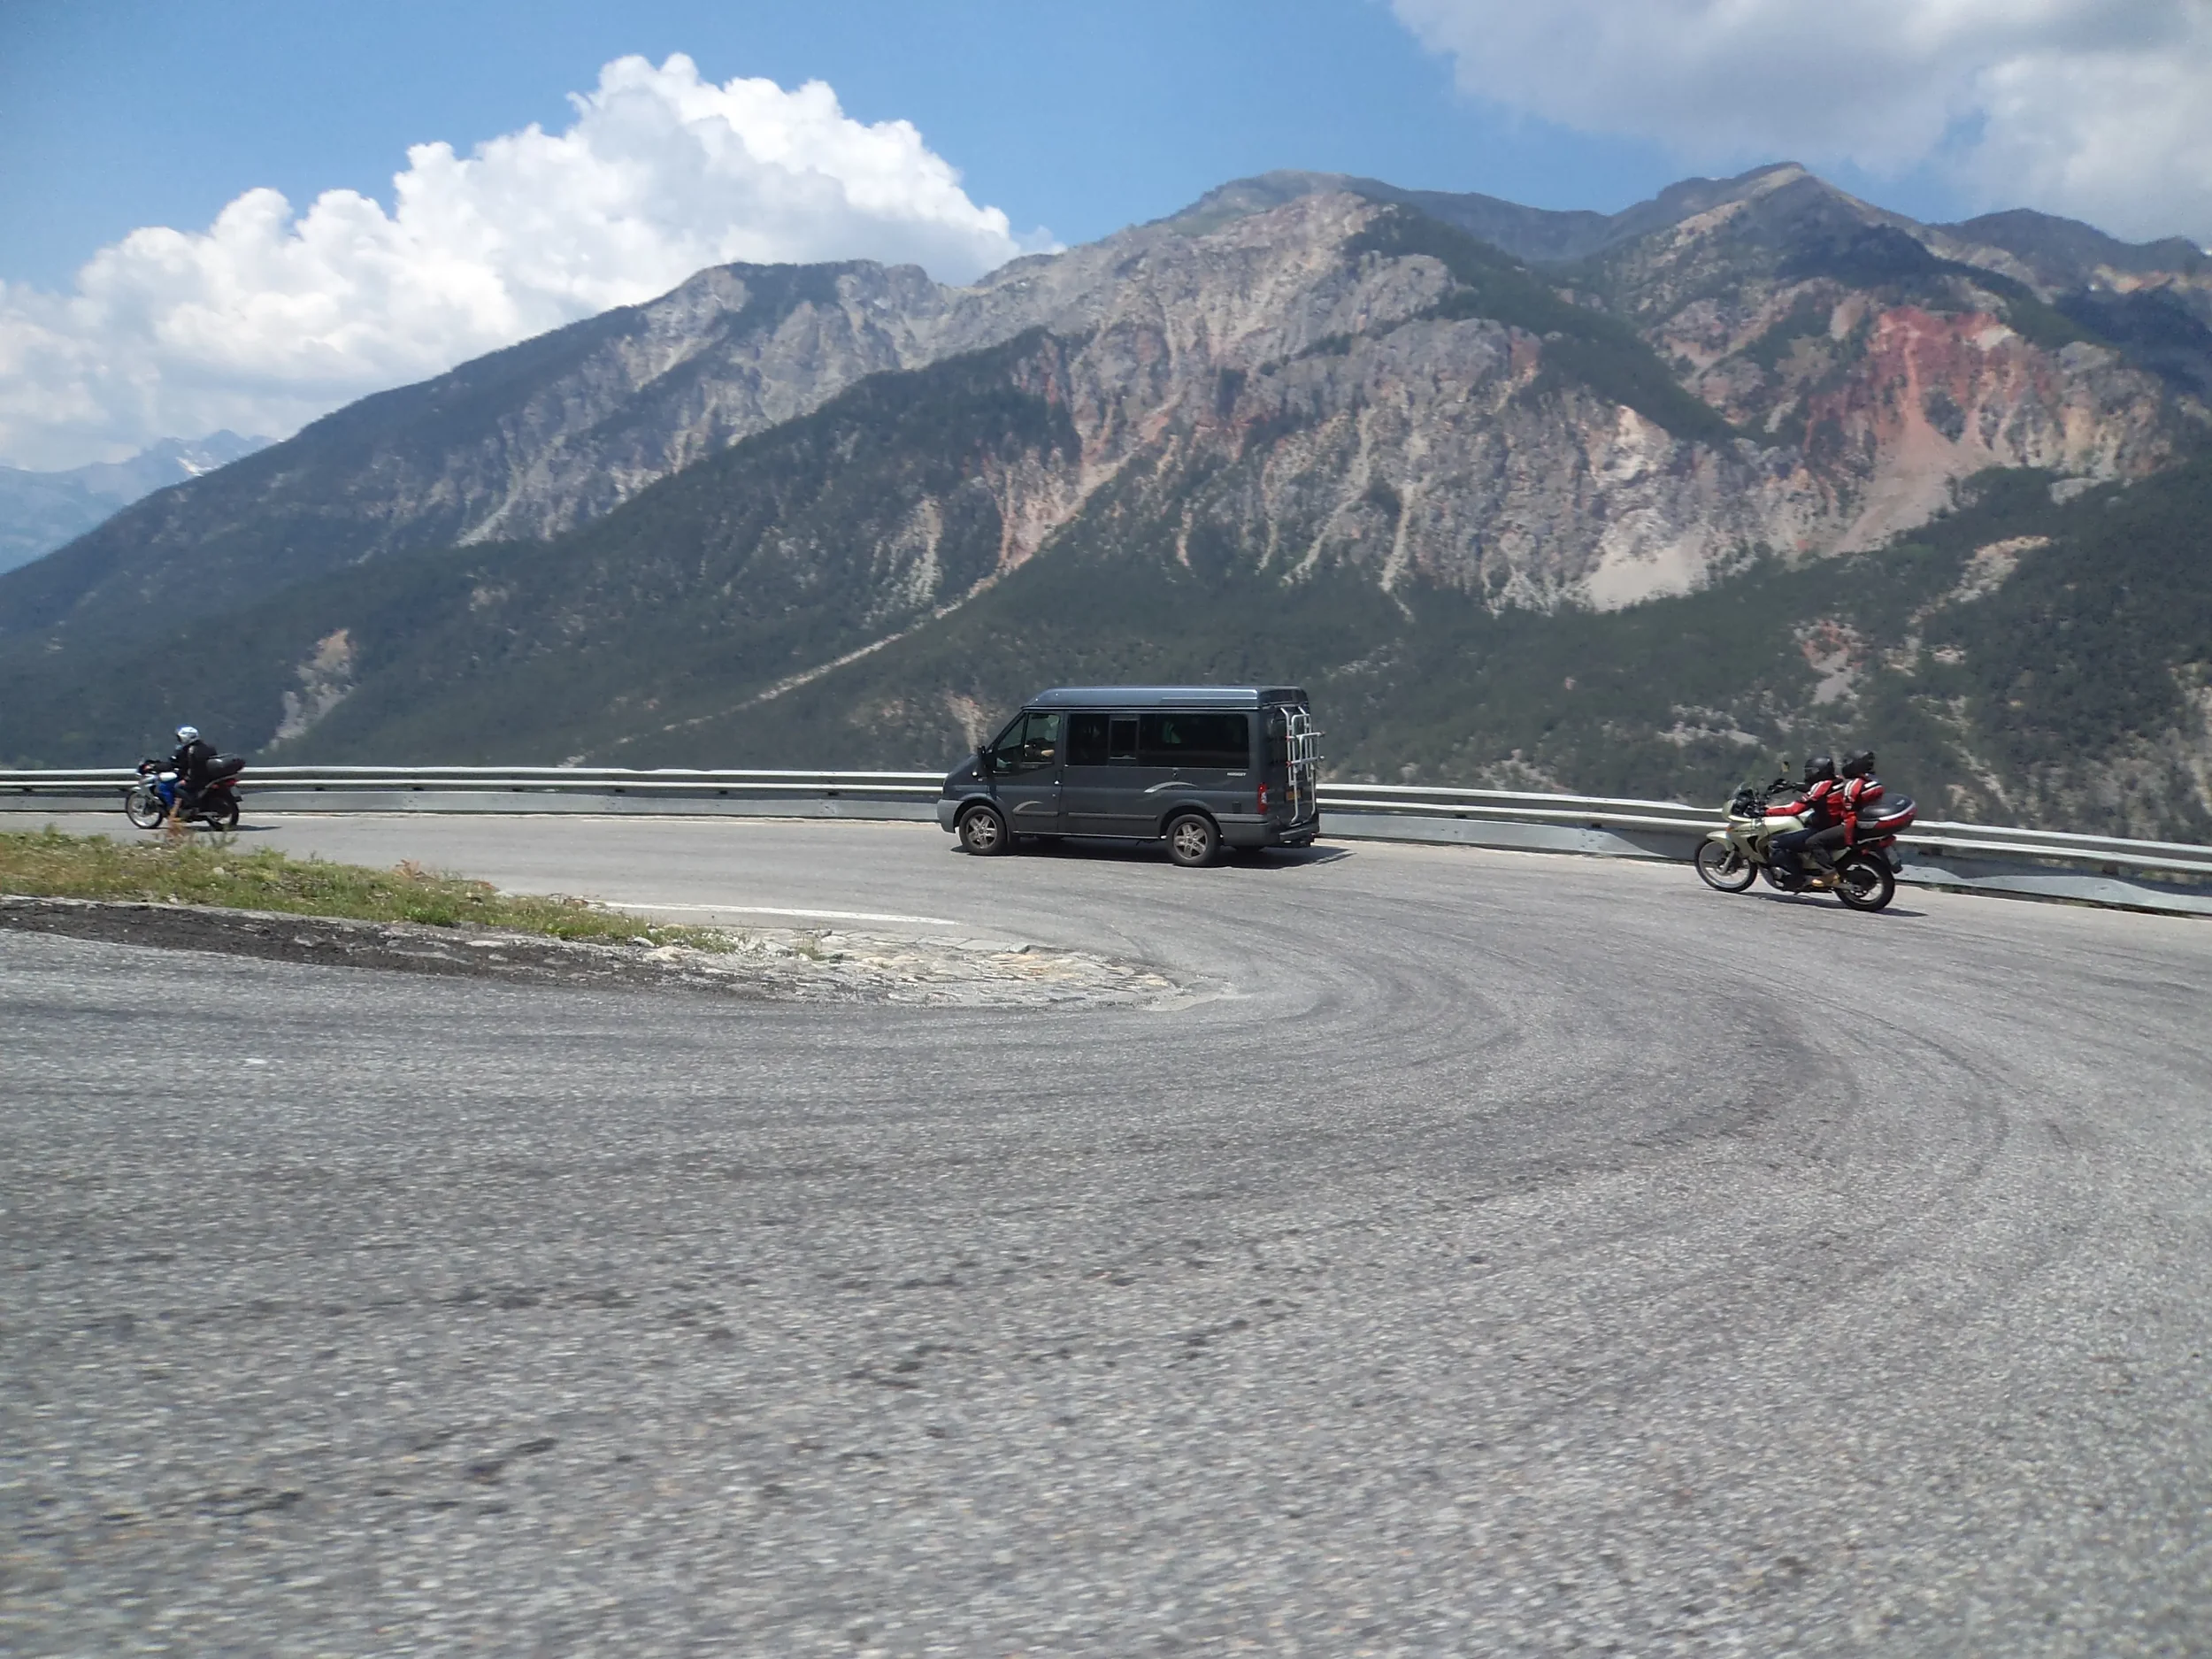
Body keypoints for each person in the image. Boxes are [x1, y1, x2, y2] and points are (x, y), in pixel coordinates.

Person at [1765, 754, 1842, 885]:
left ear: (1818, 772)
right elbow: (1816, 790)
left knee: (1775, 843)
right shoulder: (1838, 782)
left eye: (1810, 772)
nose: (1808, 775)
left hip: (1823, 827)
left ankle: (1796, 877)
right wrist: (1793, 786)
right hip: (1837, 824)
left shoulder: (1820, 787)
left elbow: (1794, 809)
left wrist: (1767, 811)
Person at [165, 725, 217, 816]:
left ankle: (193, 805)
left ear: (186, 737)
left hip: (198, 779)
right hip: (208, 776)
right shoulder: (208, 747)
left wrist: (187, 780)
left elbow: (194, 768)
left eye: (180, 738)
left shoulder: (191, 750)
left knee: (177, 786)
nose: (179, 740)